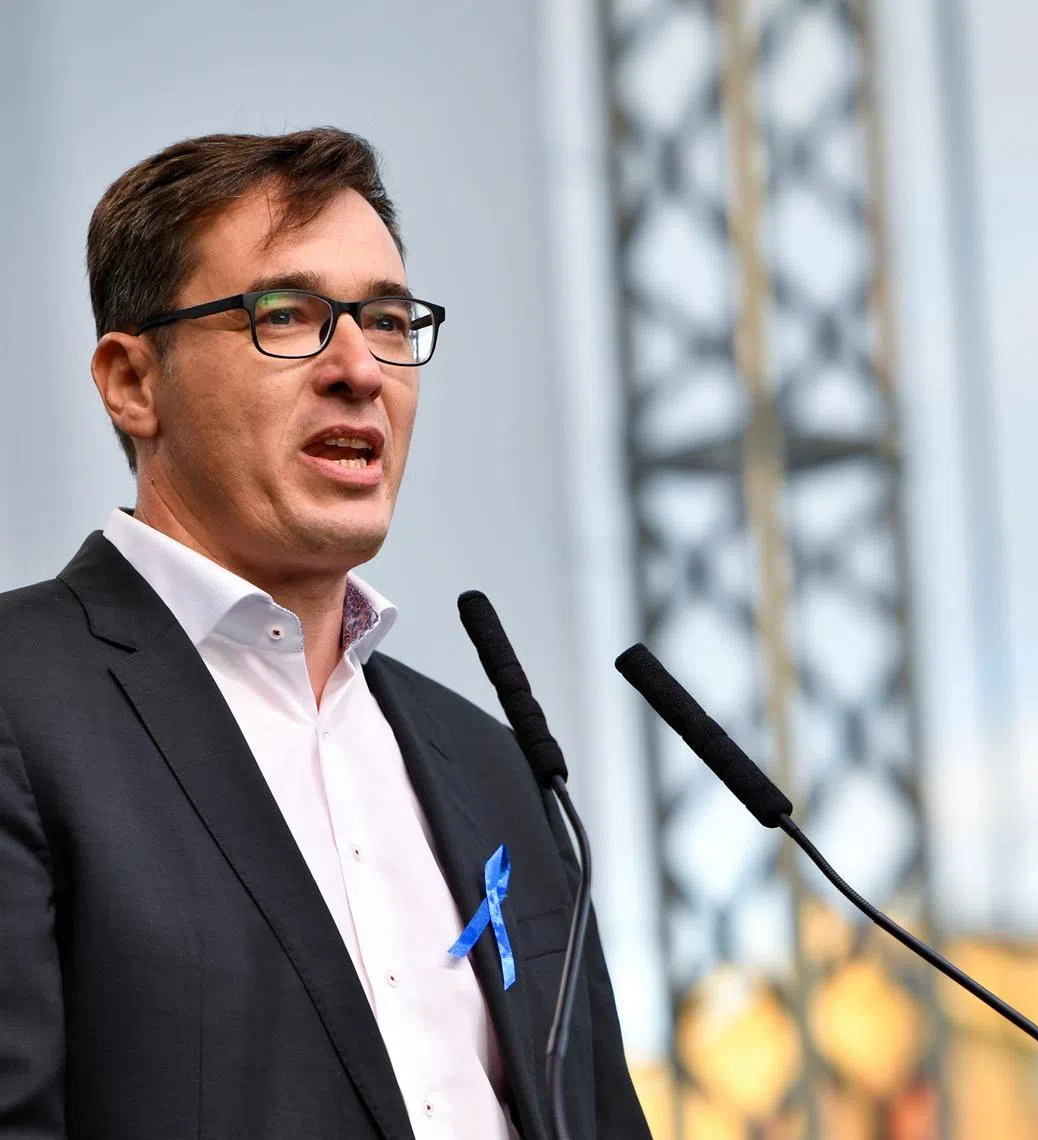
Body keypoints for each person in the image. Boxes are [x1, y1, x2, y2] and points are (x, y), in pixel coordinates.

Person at [0, 128, 651, 1140]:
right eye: (287, 316)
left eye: (388, 321)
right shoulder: (24, 699)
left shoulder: (495, 768)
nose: (360, 369)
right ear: (134, 382)